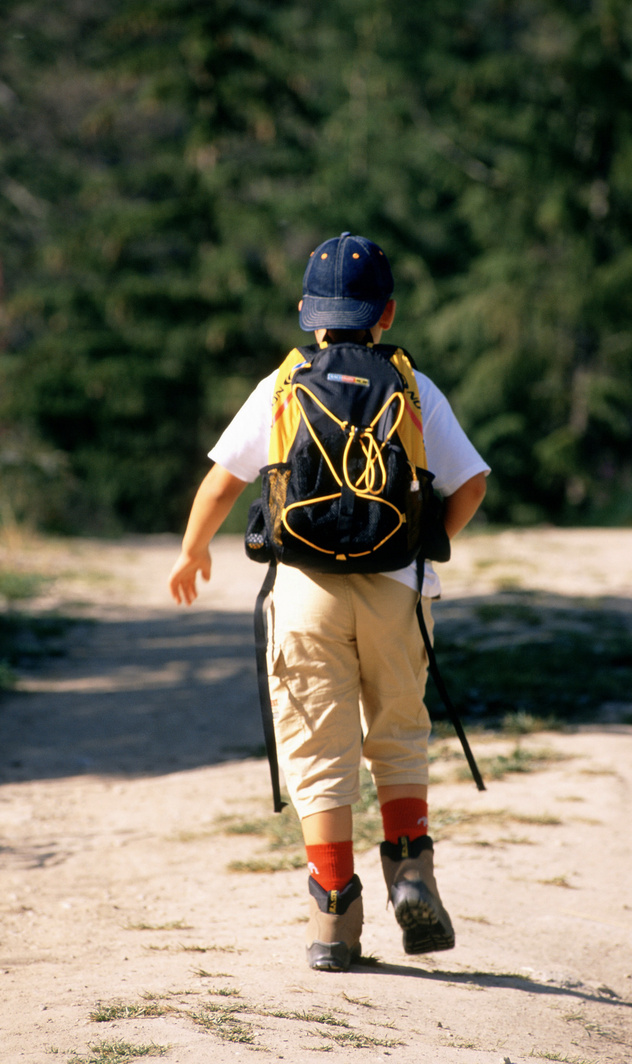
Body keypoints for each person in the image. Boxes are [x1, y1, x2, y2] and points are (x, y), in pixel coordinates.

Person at [169, 232, 489, 972]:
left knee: (317, 744)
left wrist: (192, 551)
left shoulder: (283, 383)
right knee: (399, 731)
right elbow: (471, 482)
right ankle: (411, 869)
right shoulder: (412, 385)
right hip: (396, 587)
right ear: (388, 313)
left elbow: (222, 480)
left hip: (304, 587)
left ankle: (334, 914)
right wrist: (424, 538)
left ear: (309, 313)